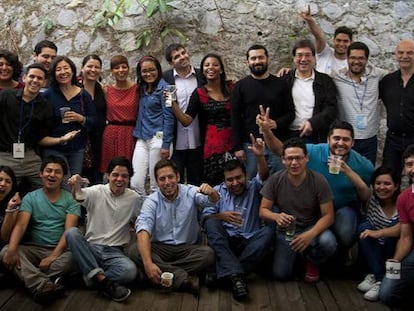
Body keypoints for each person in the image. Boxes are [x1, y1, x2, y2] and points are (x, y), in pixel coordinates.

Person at [258, 113, 374, 261]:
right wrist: (267, 131)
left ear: (353, 143)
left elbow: (366, 196)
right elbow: (281, 150)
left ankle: (343, 254)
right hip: (313, 210)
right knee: (320, 242)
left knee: (346, 232)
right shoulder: (314, 151)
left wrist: (348, 171)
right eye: (336, 138)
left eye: (346, 139)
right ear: (328, 140)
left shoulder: (363, 165)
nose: (340, 143)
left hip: (341, 208)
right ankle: (312, 258)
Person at [127, 159, 218, 295]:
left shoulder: (190, 192)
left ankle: (158, 273)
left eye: (170, 177)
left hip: (188, 249)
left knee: (208, 254)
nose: (167, 182)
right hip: (160, 248)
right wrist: (148, 263)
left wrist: (211, 192)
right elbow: (142, 230)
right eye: (162, 179)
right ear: (157, 182)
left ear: (178, 177)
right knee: (134, 250)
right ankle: (180, 277)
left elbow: (212, 202)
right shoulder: (151, 201)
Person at [202, 134, 274, 300]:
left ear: (245, 176)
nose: (235, 183)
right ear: (224, 180)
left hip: (250, 242)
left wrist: (259, 156)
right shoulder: (217, 191)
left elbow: (263, 175)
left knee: (268, 233)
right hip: (226, 243)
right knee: (212, 223)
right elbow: (205, 220)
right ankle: (237, 276)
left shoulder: (254, 187)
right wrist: (222, 216)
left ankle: (226, 274)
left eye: (238, 177)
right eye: (230, 180)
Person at [0, 156, 80, 305]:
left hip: (59, 251)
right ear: (41, 174)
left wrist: (52, 256)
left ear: (63, 177)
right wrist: (12, 249)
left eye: (57, 172)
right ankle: (43, 284)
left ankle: (25, 276)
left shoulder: (71, 199)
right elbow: (21, 225)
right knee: (5, 251)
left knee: (74, 258)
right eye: (48, 171)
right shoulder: (30, 198)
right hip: (33, 249)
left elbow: (68, 231)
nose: (52, 175)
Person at [259, 137, 336, 282]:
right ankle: (296, 257)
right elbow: (263, 210)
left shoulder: (318, 180)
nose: (294, 163)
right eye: (290, 159)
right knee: (281, 275)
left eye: (298, 158)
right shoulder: (276, 179)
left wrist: (310, 234)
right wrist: (276, 217)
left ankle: (312, 260)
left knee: (328, 242)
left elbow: (328, 216)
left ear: (306, 158)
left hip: (311, 227)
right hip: (287, 230)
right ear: (283, 160)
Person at [65, 157, 140, 302]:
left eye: (124, 176)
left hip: (115, 251)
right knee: (71, 233)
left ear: (129, 178)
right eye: (115, 175)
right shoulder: (97, 191)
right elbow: (79, 196)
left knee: (130, 271)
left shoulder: (134, 198)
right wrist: (76, 185)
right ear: (108, 175)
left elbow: (140, 220)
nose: (119, 179)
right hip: (92, 247)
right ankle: (103, 281)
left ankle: (92, 278)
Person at [0, 63, 80, 192]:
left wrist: (61, 139)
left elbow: (42, 138)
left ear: (44, 82)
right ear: (24, 78)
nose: (35, 81)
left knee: (50, 189)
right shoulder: (6, 96)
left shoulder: (45, 106)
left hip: (30, 156)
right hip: (5, 156)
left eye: (39, 78)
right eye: (32, 76)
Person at [231, 44, 294, 179]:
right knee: (252, 183)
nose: (257, 61)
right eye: (253, 58)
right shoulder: (240, 86)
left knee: (279, 181)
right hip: (250, 145)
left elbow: (291, 113)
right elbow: (235, 118)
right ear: (247, 62)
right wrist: (238, 147)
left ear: (268, 59)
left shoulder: (281, 84)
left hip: (276, 144)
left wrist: (275, 124)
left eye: (261, 57)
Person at [171, 53, 234, 186]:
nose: (211, 68)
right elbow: (186, 120)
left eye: (215, 65)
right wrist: (172, 102)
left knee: (234, 179)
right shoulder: (199, 93)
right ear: (203, 71)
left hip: (233, 144)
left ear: (221, 69)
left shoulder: (232, 88)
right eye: (207, 65)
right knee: (214, 183)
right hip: (212, 146)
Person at [331, 42, 387, 165]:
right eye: (353, 57)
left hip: (369, 139)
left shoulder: (377, 75)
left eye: (361, 58)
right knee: (337, 172)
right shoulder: (336, 77)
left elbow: (400, 75)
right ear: (347, 58)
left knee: (367, 175)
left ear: (367, 59)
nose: (356, 61)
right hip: (343, 139)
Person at [42, 56, 96, 180]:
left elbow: (93, 121)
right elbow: (41, 123)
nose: (63, 72)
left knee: (74, 182)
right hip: (54, 148)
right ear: (54, 74)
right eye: (58, 69)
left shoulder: (83, 94)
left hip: (77, 147)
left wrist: (80, 118)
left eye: (66, 68)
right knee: (63, 183)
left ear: (72, 71)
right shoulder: (48, 95)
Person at [131, 55, 174, 195]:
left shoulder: (167, 89)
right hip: (142, 138)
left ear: (158, 70)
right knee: (135, 182)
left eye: (152, 70)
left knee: (157, 183)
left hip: (159, 138)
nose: (148, 74)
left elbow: (169, 117)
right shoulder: (141, 89)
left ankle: (158, 214)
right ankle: (144, 213)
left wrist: (166, 144)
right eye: (144, 71)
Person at [355, 167, 400, 301]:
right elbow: (360, 185)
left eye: (387, 184)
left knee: (388, 295)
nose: (382, 187)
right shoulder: (371, 200)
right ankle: (378, 276)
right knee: (364, 227)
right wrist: (344, 167)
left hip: (395, 254)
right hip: (374, 252)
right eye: (378, 183)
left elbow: (403, 228)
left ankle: (381, 279)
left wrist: (379, 233)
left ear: (396, 186)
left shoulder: (403, 201)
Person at [163, 43, 204, 185]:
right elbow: (168, 106)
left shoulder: (201, 76)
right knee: (176, 181)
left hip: (198, 138)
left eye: (183, 53)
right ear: (171, 63)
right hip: (177, 140)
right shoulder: (167, 79)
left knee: (197, 181)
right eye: (176, 57)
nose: (182, 57)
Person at [283, 39, 337, 143]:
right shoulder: (285, 80)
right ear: (294, 58)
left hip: (317, 135)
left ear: (314, 58)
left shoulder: (325, 81)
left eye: (308, 55)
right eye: (299, 55)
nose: (303, 59)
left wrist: (313, 123)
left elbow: (331, 109)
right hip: (289, 135)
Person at [379, 145, 414, 307]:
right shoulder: (404, 198)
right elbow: (406, 236)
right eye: (409, 164)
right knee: (387, 293)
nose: (412, 169)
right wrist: (396, 261)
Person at [380, 39, 414, 177]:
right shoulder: (387, 81)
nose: (404, 56)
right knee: (389, 177)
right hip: (393, 140)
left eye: (410, 53)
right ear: (396, 55)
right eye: (401, 52)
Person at [100, 55, 138, 174]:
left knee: (130, 171)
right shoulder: (106, 90)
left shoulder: (137, 89)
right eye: (116, 68)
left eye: (124, 67)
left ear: (129, 69)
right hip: (111, 134)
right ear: (112, 71)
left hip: (130, 133)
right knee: (111, 171)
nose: (121, 70)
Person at [78, 54, 107, 184]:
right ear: (82, 68)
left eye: (97, 67)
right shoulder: (74, 88)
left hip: (98, 141)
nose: (93, 70)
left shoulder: (103, 90)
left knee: (97, 179)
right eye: (90, 66)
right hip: (80, 140)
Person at [300, 5, 352, 74]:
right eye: (338, 40)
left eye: (345, 41)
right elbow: (319, 37)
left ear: (351, 43)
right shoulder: (325, 52)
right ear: (334, 40)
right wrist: (310, 21)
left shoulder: (352, 63)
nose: (341, 44)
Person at [0, 166, 20, 245]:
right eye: (0, 180)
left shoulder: (14, 205)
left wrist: (10, 209)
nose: (3, 184)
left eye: (8, 181)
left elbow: (4, 238)